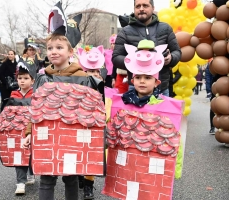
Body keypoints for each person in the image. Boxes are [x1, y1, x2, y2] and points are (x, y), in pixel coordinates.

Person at [23, 3, 87, 199]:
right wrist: (28, 132)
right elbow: (35, 108)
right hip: (47, 134)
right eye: (50, 48)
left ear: (70, 52)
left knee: (71, 177)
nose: (54, 51)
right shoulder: (43, 78)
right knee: (47, 177)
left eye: (59, 47)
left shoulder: (83, 77)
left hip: (73, 135)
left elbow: (91, 109)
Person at [112, 0, 181, 96]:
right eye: (138, 6)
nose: (141, 9)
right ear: (134, 9)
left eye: (145, 6)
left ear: (153, 8)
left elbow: (177, 51)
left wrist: (171, 58)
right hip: (135, 89)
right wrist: (136, 60)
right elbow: (116, 57)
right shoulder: (124, 32)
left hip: (161, 88)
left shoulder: (166, 28)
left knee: (161, 112)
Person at [76, 45, 107, 199]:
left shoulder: (104, 88)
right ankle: (79, 177)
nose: (94, 74)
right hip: (80, 125)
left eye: (96, 72)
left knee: (92, 156)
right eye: (90, 72)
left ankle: (89, 186)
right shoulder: (79, 86)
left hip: (95, 127)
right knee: (80, 153)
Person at [3, 62, 37, 195]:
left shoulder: (36, 94)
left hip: (31, 127)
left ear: (32, 80)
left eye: (26, 78)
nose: (22, 81)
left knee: (32, 153)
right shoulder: (13, 94)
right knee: (19, 153)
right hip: (16, 129)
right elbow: (7, 112)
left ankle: (31, 173)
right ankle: (20, 183)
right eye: (20, 78)